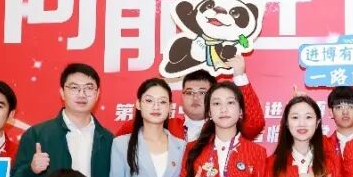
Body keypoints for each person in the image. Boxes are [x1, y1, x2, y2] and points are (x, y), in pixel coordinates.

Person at [11, 63, 116, 177]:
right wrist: (32, 170)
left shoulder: (109, 140)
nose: (82, 94)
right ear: (62, 92)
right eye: (74, 88)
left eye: (89, 88)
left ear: (97, 94)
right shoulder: (37, 134)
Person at [172, 82, 267, 177]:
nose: (223, 109)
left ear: (241, 111)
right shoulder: (194, 148)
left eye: (230, 102)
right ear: (209, 112)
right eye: (216, 103)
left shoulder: (257, 152)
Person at [113, 54, 264, 142]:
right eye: (189, 92)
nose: (195, 97)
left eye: (202, 92)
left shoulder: (224, 126)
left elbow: (254, 125)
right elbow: (120, 140)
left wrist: (239, 76)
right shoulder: (166, 125)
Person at [105, 78, 189, 177]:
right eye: (149, 100)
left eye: (162, 102)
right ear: (138, 104)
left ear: (170, 107)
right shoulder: (121, 144)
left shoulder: (182, 147)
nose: (156, 107)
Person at [262, 96, 348, 177]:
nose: (302, 123)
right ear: (286, 123)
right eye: (295, 117)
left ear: (318, 122)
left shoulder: (332, 162)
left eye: (308, 117)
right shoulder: (272, 164)